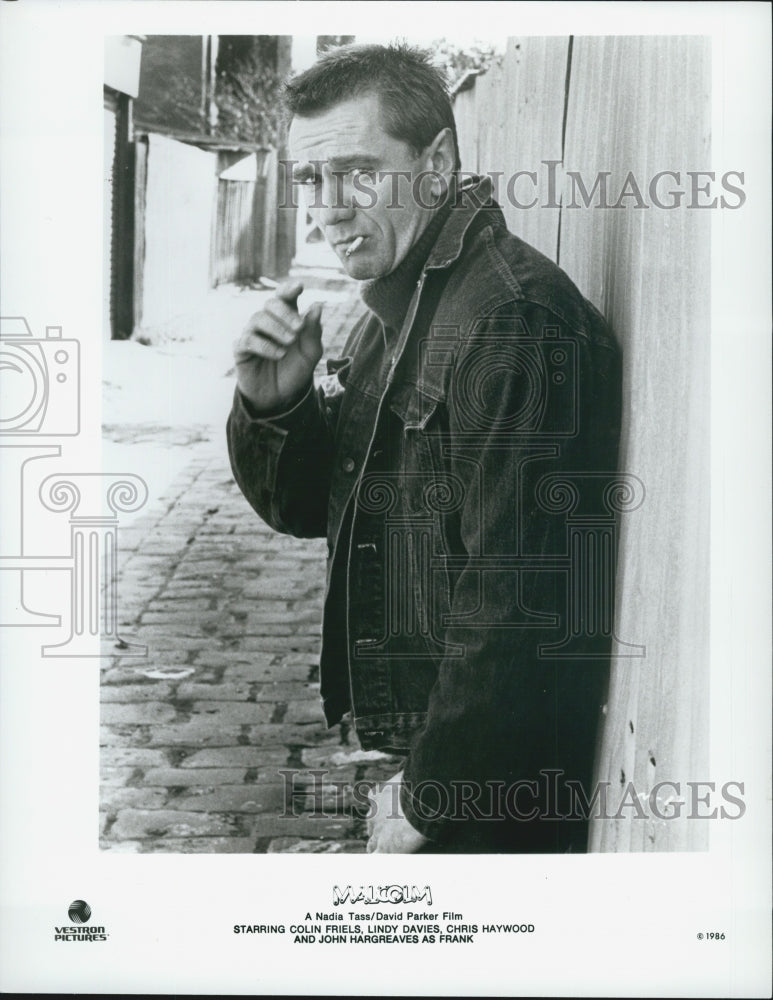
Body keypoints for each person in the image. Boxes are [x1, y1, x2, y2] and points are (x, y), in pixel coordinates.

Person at [227, 43, 622, 853]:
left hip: (498, 789)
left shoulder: (508, 321)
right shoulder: (407, 302)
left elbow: (516, 599)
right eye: (310, 179)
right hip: (452, 761)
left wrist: (434, 792)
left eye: (356, 173)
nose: (326, 210)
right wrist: (276, 403)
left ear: (435, 165)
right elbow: (309, 508)